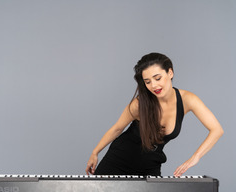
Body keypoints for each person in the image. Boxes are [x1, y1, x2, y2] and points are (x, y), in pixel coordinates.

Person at [85, 52, 223, 176]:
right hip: (118, 162)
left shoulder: (188, 100)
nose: (154, 86)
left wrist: (195, 157)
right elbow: (117, 128)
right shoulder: (139, 104)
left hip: (150, 167)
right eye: (148, 82)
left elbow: (217, 130)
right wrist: (95, 152)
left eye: (157, 78)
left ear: (170, 73)